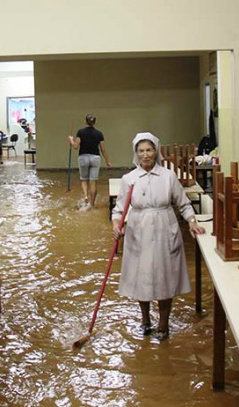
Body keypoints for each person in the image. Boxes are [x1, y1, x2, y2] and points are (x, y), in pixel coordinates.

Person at [111, 132, 206, 341]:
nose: (146, 155)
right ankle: (145, 320)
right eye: (141, 151)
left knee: (165, 276)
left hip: (164, 226)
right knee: (141, 277)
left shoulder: (168, 176)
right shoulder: (129, 179)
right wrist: (117, 225)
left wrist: (192, 222)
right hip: (138, 230)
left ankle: (163, 324)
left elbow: (183, 204)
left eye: (149, 150)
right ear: (136, 154)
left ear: (156, 152)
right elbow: (118, 210)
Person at [67, 114, 111, 211]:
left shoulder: (80, 132)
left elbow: (75, 146)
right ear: (94, 122)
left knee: (84, 179)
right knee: (93, 182)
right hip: (95, 158)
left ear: (86, 121)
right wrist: (107, 161)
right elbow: (103, 149)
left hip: (83, 157)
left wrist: (71, 140)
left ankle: (86, 196)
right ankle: (92, 204)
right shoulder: (99, 134)